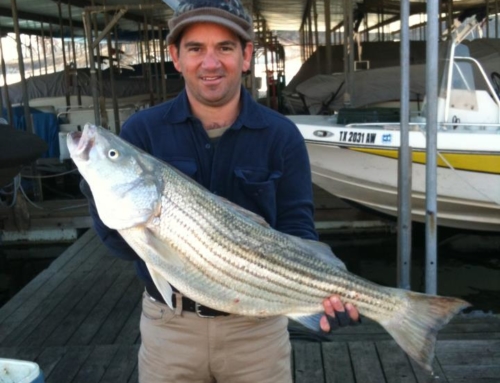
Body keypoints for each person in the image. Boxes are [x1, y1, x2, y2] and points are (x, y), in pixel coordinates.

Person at [82, 0, 360, 382]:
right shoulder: (142, 132)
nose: (209, 63)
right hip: (170, 326)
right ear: (176, 57)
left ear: (246, 56)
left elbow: (297, 227)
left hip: (257, 330)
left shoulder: (282, 136)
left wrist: (323, 290)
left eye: (224, 48)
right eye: (195, 48)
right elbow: (119, 244)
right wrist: (99, 186)